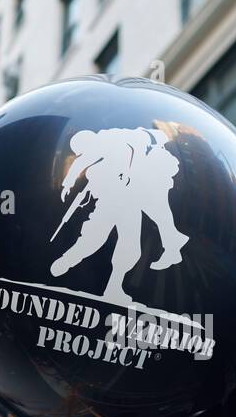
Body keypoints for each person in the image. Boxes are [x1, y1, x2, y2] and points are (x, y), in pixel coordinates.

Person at [50, 127, 186, 305]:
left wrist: (68, 182)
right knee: (96, 237)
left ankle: (113, 287)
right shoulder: (108, 154)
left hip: (128, 200)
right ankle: (69, 260)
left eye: (82, 151)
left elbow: (84, 161)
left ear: (88, 141)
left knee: (128, 245)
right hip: (113, 200)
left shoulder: (109, 139)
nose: (83, 155)